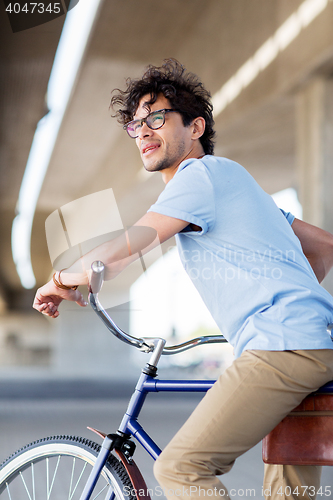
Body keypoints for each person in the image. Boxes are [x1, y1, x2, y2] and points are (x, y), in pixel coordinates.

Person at [33, 59, 333, 500]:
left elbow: (129, 244)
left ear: (195, 127)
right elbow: (325, 246)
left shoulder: (200, 176)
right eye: (136, 126)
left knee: (180, 470)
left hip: (281, 348)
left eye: (157, 117)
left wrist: (61, 277)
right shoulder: (233, 180)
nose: (144, 132)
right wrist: (298, 304)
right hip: (312, 344)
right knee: (287, 494)